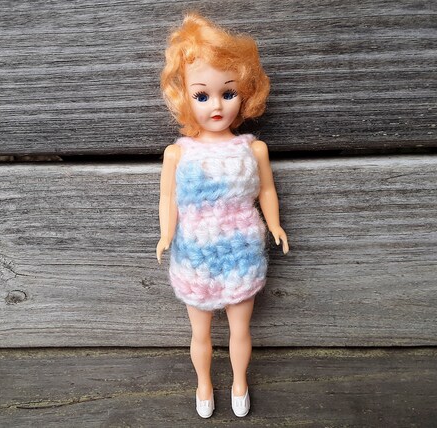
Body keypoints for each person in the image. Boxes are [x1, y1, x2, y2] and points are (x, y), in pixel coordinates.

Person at [156, 12, 289, 418]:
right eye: (202, 96)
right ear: (184, 96)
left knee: (239, 329)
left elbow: (266, 190)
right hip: (194, 252)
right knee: (200, 333)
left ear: (245, 93)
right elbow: (168, 198)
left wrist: (275, 224)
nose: (216, 105)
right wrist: (165, 235)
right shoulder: (178, 153)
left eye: (227, 93)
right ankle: (203, 384)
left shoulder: (253, 149)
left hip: (242, 250)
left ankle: (240, 383)